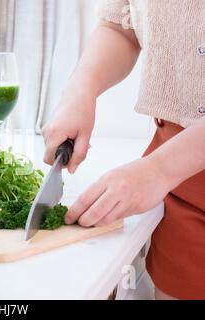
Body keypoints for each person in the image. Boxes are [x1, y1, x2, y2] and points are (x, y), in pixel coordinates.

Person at [42, 0, 204, 300]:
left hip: (169, 168)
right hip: (178, 182)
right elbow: (120, 25)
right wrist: (81, 90)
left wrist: (160, 169)